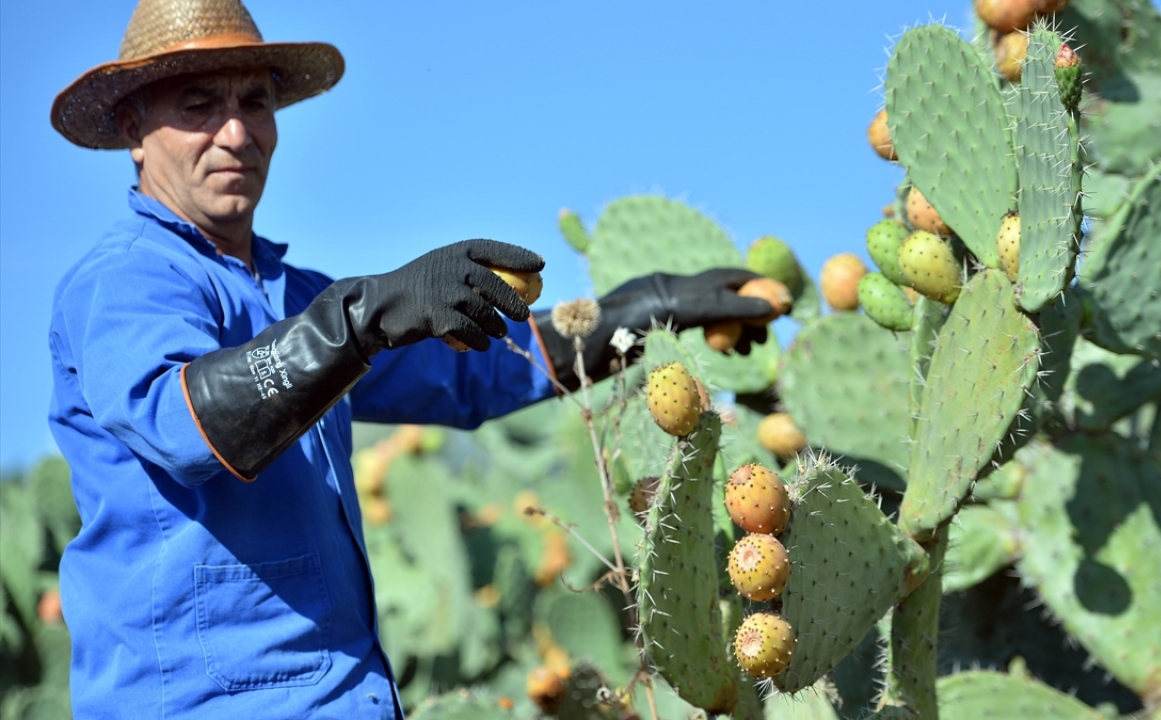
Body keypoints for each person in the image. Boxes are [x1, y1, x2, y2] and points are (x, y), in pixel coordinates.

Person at [46, 0, 773, 717]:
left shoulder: (293, 296)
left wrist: (637, 317)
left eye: (255, 102)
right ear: (134, 127)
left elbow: (482, 370)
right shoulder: (125, 280)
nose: (236, 131)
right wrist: (362, 319)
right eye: (199, 104)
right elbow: (189, 422)